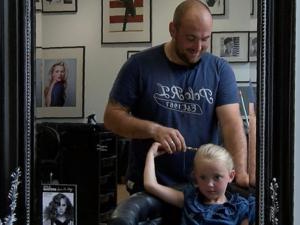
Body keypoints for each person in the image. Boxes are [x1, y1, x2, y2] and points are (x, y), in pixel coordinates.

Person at [104, 0, 249, 195]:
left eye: (205, 39)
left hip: (203, 187)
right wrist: (153, 130)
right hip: (149, 185)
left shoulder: (220, 70)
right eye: (190, 38)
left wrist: (238, 174)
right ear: (173, 30)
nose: (198, 47)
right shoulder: (139, 65)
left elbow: (231, 123)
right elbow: (112, 118)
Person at [144, 142, 255, 225]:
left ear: (231, 176)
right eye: (203, 177)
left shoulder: (241, 208)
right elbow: (151, 185)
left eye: (217, 177)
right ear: (196, 177)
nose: (210, 184)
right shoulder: (189, 199)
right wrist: (151, 155)